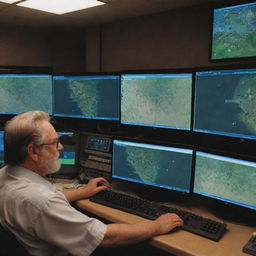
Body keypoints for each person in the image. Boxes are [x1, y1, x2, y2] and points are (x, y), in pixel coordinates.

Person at [0, 110, 183, 256]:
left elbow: (38, 202)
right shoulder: (42, 201)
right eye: (55, 143)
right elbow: (105, 238)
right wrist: (157, 226)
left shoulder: (6, 176)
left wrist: (81, 192)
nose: (61, 148)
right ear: (33, 151)